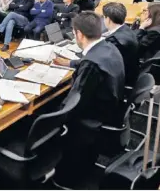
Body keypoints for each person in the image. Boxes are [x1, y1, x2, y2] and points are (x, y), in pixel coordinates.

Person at [53, 12, 125, 188]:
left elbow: (74, 103)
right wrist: (69, 64)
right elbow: (90, 60)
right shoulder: (108, 47)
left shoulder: (91, 65)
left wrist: (51, 115)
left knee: (45, 109)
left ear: (78, 34)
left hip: (90, 120)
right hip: (110, 108)